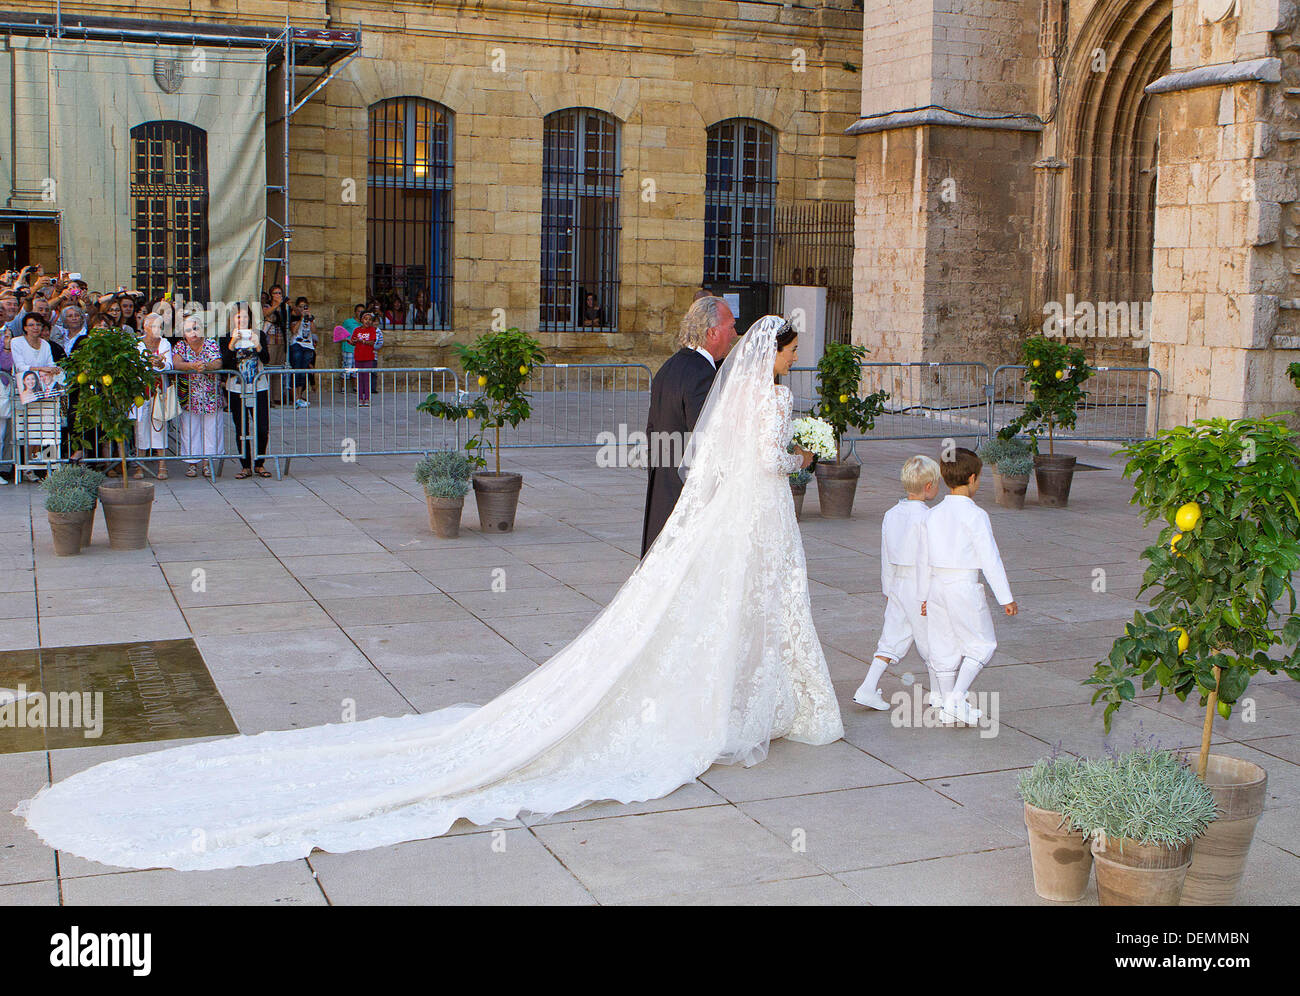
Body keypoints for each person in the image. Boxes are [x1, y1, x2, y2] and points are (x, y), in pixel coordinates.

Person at [16, 315, 842, 871]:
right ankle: (734, 705)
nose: (786, 363)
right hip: (752, 514)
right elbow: (754, 460)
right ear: (771, 351)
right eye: (786, 353)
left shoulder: (751, 390)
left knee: (743, 609)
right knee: (729, 610)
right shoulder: (762, 396)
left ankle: (753, 698)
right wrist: (801, 459)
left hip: (744, 520)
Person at [923, 446, 1018, 725]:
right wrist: (1005, 598)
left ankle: (947, 704)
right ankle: (955, 699)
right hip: (963, 585)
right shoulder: (976, 515)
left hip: (936, 585)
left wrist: (923, 594)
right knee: (983, 644)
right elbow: (990, 559)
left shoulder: (933, 514)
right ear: (973, 478)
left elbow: (923, 557)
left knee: (944, 646)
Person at [640, 295, 737, 556]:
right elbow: (706, 440)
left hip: (662, 486)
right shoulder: (702, 375)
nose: (735, 334)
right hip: (684, 494)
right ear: (713, 332)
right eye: (731, 327)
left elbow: (652, 430)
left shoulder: (669, 367)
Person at [853, 455, 942, 711]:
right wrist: (929, 594)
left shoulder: (891, 514)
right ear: (929, 487)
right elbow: (929, 559)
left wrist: (888, 589)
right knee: (932, 641)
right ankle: (939, 695)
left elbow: (885, 555)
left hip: (898, 585)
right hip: (919, 585)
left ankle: (868, 687)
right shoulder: (928, 517)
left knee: (891, 638)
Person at [221, 303, 272, 479]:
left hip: (258, 386)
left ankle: (259, 463)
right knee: (241, 427)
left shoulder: (259, 334)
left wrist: (258, 346)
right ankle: (245, 465)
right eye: (237, 317)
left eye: (244, 317)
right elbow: (224, 363)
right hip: (236, 388)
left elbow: (266, 358)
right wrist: (232, 343)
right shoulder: (226, 337)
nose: (241, 320)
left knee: (262, 426)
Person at [171, 314, 224, 477]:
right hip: (189, 395)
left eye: (196, 328)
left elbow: (218, 362)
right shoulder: (181, 346)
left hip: (210, 394)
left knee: (211, 429)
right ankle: (192, 463)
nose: (193, 333)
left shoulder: (211, 343)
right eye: (188, 330)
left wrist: (206, 366)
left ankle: (208, 463)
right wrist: (191, 366)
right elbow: (176, 363)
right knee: (189, 429)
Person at [131, 313, 173, 480]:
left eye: (160, 326)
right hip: (141, 391)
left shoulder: (164, 343)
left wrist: (160, 363)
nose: (157, 329)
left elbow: (168, 364)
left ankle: (163, 466)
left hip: (159, 390)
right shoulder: (137, 343)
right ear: (145, 328)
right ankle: (140, 467)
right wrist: (150, 363)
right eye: (154, 326)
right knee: (140, 427)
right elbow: (135, 364)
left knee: (159, 426)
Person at [350, 311, 381, 408]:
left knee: (367, 378)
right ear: (361, 320)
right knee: (359, 378)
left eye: (369, 320)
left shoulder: (372, 330)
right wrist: (351, 342)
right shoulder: (356, 330)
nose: (367, 321)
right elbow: (354, 342)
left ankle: (367, 398)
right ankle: (360, 398)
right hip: (358, 357)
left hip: (368, 358)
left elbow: (372, 342)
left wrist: (361, 341)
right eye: (365, 319)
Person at [288, 315, 317, 408]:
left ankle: (299, 396)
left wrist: (310, 320)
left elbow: (314, 331)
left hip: (308, 346)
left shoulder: (310, 319)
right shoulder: (295, 319)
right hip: (297, 345)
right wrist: (301, 319)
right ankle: (294, 397)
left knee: (303, 371)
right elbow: (293, 330)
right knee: (296, 370)